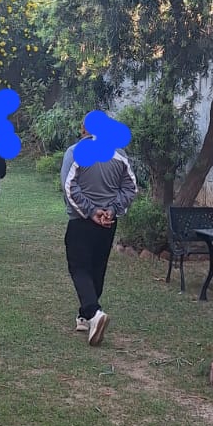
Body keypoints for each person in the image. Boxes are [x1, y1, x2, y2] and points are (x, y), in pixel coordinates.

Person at [60, 125, 138, 343]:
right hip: (108, 223)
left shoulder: (75, 152)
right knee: (98, 267)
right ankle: (85, 316)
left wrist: (91, 211)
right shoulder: (119, 154)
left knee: (79, 267)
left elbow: (69, 187)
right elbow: (130, 188)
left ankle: (94, 313)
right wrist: (112, 209)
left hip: (81, 221)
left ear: (84, 130)